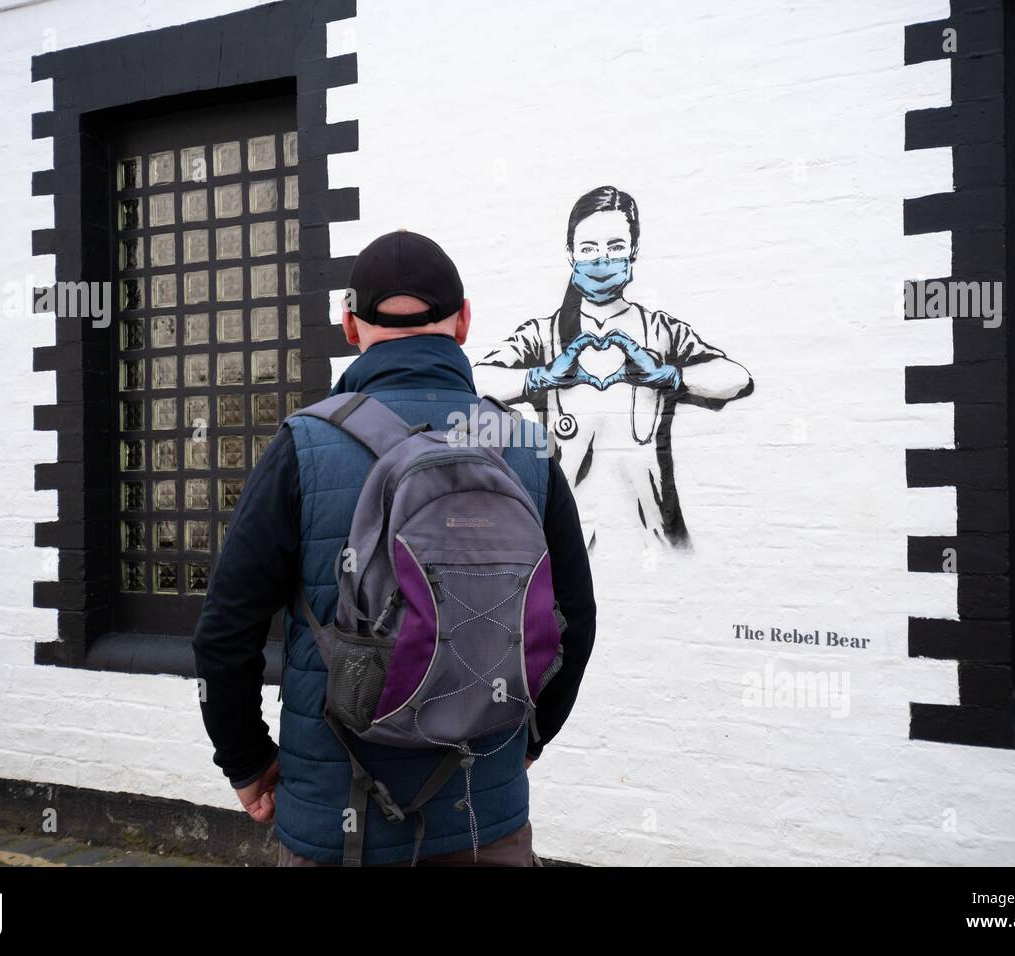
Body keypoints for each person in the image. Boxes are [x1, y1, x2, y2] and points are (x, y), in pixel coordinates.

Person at [192, 230, 596, 866]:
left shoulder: (302, 446)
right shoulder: (527, 447)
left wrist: (245, 761)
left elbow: (225, 630)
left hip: (337, 825)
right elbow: (577, 619)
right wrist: (529, 739)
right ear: (463, 320)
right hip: (483, 822)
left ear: (349, 325)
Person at [473, 186, 754, 550]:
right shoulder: (542, 335)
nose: (602, 260)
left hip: (657, 539)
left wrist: (670, 376)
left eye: (616, 247)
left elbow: (736, 378)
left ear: (633, 251)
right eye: (588, 249)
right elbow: (473, 381)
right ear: (570, 254)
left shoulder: (660, 332)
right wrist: (538, 378)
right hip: (564, 542)